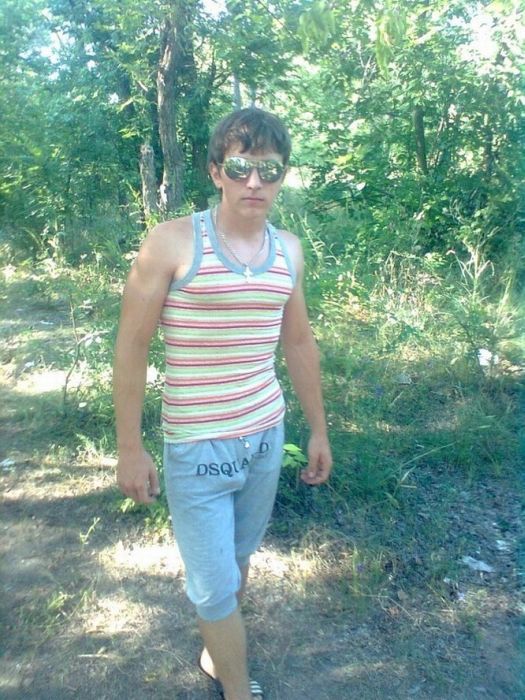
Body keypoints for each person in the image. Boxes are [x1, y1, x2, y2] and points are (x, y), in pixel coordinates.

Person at [113, 107, 332, 700]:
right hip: (197, 443)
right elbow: (131, 347)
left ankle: (216, 657)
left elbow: (298, 343)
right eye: (240, 168)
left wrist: (317, 430)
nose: (254, 182)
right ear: (216, 171)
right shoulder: (172, 242)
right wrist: (130, 449)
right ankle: (238, 689)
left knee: (235, 562)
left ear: (283, 176)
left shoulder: (289, 250)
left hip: (265, 435)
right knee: (212, 588)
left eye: (270, 170)